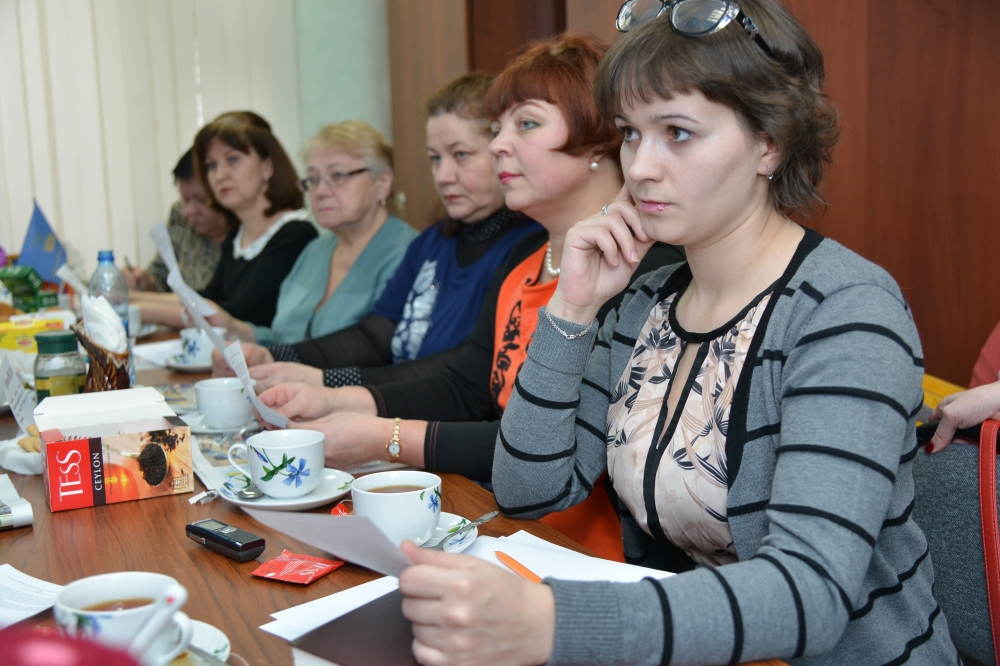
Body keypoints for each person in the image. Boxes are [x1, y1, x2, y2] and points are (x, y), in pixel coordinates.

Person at [393, 2, 957, 664]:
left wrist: (554, 620)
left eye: (678, 133)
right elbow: (527, 489)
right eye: (630, 134)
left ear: (770, 143)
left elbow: (809, 593)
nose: (640, 168)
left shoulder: (845, 310)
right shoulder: (645, 299)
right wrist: (572, 310)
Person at [258, 34, 684, 560]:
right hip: (496, 522)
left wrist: (383, 436)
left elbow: (561, 446)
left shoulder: (649, 274)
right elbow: (465, 386)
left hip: (581, 554)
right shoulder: (524, 258)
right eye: (497, 128)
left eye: (526, 124)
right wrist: (334, 398)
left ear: (598, 139)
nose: (499, 144)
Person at [213, 73, 539, 388]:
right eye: (435, 158)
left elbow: (460, 374)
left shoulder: (527, 247)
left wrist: (329, 384)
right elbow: (376, 335)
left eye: (461, 155)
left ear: (501, 151)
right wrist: (273, 356)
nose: (442, 176)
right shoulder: (433, 241)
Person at [207, 119, 416, 345]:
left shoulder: (409, 254)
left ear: (383, 183)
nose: (321, 191)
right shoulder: (315, 251)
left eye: (338, 176)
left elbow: (377, 351)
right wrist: (233, 328)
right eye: (314, 179)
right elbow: (283, 340)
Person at [133, 111, 317, 329]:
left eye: (232, 160)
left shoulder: (295, 234)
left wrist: (138, 311)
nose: (220, 175)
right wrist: (129, 299)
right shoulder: (237, 235)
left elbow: (241, 313)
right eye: (212, 165)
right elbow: (207, 298)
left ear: (266, 166)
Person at [125, 149, 232, 293]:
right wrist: (146, 283)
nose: (190, 211)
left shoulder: (245, 232)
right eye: (185, 199)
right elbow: (160, 273)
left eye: (202, 200)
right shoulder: (180, 216)